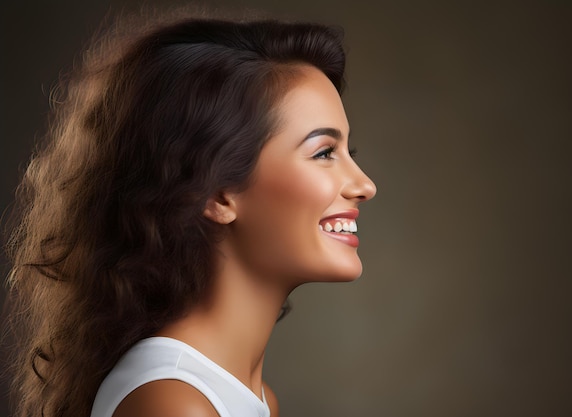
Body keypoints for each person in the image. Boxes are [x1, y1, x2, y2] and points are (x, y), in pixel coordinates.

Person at [5, 8, 376, 417]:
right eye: (324, 152)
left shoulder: (247, 397)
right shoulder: (176, 404)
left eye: (348, 152)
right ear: (218, 193)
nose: (364, 185)